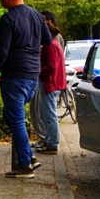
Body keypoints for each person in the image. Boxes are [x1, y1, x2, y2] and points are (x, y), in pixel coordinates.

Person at [0, 0, 52, 179]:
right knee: (11, 116)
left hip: (14, 75)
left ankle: (25, 164)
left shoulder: (8, 18)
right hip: (33, 75)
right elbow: (47, 40)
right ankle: (28, 157)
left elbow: (2, 49)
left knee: (15, 121)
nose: (0, 1)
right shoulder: (36, 15)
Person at [31, 10, 66, 155]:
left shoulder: (50, 45)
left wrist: (38, 73)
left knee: (49, 115)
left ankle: (52, 143)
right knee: (47, 114)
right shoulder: (53, 44)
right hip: (52, 83)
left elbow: (51, 66)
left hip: (50, 84)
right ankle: (48, 141)